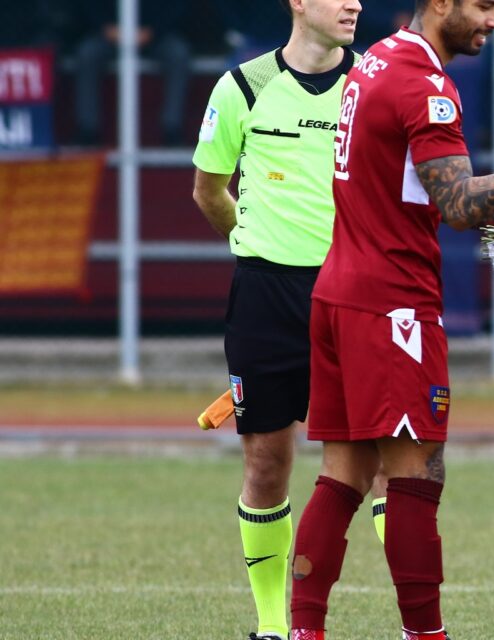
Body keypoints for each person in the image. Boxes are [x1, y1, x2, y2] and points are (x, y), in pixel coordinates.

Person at [285, 1, 494, 638]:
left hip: (340, 292)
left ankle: (305, 630)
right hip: (392, 304)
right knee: (414, 476)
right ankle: (426, 634)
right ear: (441, 4)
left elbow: (411, 191)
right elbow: (459, 204)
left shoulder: (375, 60)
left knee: (344, 474)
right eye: (485, 6)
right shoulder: (426, 83)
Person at [190, 1, 365, 638]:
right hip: (266, 293)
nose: (354, 3)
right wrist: (258, 239)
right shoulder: (241, 87)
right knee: (266, 463)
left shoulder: (371, 84)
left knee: (382, 460)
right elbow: (209, 189)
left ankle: (413, 619)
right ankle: (274, 626)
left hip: (355, 291)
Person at [73, 0, 192, 146]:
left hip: (157, 35)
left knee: (178, 54)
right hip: (110, 34)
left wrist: (152, 31)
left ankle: (172, 128)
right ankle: (88, 129)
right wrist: (105, 27)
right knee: (88, 54)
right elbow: (89, 6)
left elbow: (177, 6)